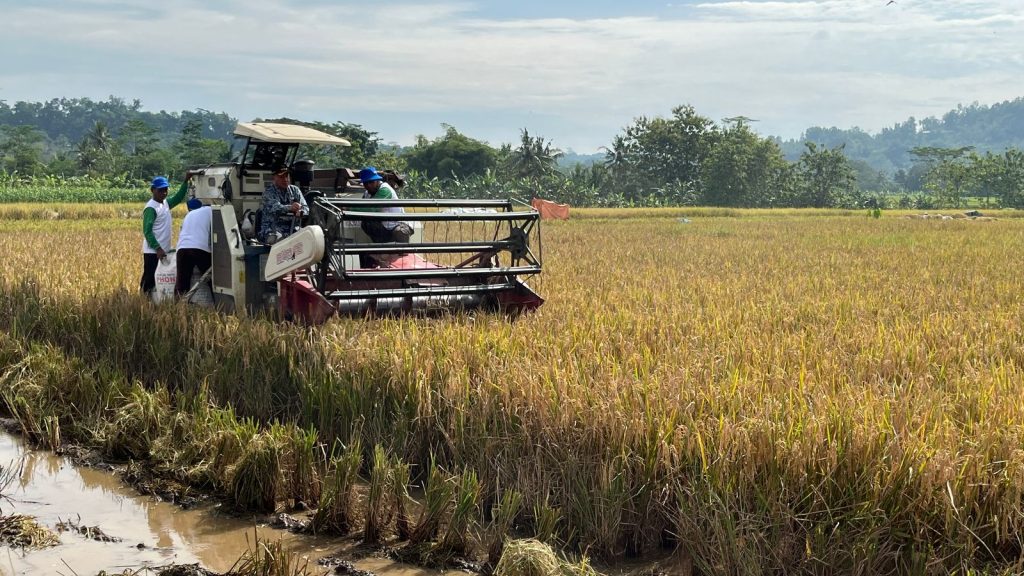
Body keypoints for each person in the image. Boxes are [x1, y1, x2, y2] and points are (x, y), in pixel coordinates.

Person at [140, 174, 190, 294]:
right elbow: (147, 231)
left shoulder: (165, 203)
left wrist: (185, 181)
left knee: (157, 277)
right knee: (150, 277)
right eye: (160, 190)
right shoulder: (151, 208)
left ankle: (154, 299)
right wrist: (157, 248)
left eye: (166, 190)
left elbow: (178, 198)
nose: (164, 193)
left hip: (162, 250)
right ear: (153, 190)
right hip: (153, 251)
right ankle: (144, 301)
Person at [358, 166, 412, 243]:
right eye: (366, 183)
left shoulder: (385, 190)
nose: (369, 185)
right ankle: (381, 247)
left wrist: (347, 209)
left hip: (396, 225)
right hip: (384, 228)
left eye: (371, 182)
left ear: (377, 181)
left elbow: (372, 207)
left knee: (400, 232)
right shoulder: (367, 194)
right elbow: (361, 207)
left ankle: (401, 251)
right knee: (366, 223)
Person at [259, 167, 308, 243]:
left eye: (286, 176)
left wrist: (301, 211)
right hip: (273, 229)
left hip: (293, 228)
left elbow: (306, 208)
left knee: (309, 239)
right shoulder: (269, 192)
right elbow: (275, 207)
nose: (285, 179)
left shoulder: (295, 190)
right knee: (279, 240)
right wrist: (290, 208)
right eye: (281, 177)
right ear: (274, 178)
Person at [175, 198, 212, 297]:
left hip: (182, 248)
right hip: (199, 248)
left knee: (182, 282)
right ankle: (220, 306)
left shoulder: (189, 214)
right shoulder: (213, 211)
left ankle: (178, 307)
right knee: (212, 280)